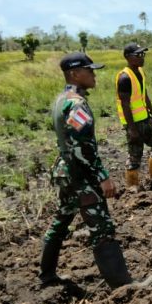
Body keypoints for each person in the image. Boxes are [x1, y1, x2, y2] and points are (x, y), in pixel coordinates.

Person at [40, 52, 135, 289]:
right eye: (89, 70)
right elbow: (82, 147)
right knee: (102, 228)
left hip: (66, 172)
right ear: (74, 73)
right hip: (81, 176)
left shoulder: (61, 99)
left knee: (61, 221)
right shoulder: (77, 104)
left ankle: (47, 274)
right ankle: (123, 286)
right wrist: (102, 177)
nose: (94, 74)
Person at [115, 43, 152, 193]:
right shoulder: (124, 78)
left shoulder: (140, 72)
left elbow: (145, 95)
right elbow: (125, 105)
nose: (141, 57)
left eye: (142, 54)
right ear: (128, 57)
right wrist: (132, 129)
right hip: (133, 123)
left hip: (145, 119)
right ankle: (132, 185)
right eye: (138, 55)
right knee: (135, 153)